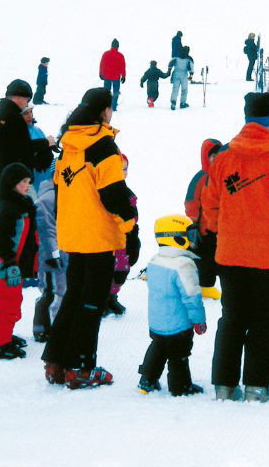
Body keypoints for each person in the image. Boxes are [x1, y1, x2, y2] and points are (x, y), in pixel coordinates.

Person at [201, 92, 269, 402]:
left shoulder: (223, 157)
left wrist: (214, 242)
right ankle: (257, 387)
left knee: (232, 319)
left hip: (229, 256)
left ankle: (224, 386)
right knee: (263, 323)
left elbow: (210, 206)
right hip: (268, 260)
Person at [42, 87, 137, 389]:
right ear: (104, 111)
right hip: (97, 236)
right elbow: (113, 194)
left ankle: (56, 361)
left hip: (73, 235)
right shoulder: (103, 146)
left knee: (73, 297)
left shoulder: (69, 144)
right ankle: (80, 367)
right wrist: (130, 226)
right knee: (91, 303)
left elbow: (60, 188)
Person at [139, 214, 207, 396]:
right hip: (178, 325)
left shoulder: (154, 261)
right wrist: (199, 320)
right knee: (179, 355)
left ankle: (147, 380)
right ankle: (180, 387)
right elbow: (192, 296)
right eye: (189, 235)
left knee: (158, 348)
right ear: (176, 237)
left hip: (157, 322)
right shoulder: (184, 264)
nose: (193, 240)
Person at [0, 163, 39, 360]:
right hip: (4, 268)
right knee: (6, 305)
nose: (27, 186)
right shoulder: (6, 209)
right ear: (12, 183)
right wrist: (8, 265)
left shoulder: (21, 205)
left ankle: (3, 335)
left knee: (13, 303)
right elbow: (1, 241)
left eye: (28, 182)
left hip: (14, 266)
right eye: (23, 182)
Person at [24, 104, 63, 342]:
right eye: (25, 111)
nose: (29, 115)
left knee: (56, 285)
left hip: (45, 185)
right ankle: (45, 326)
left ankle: (49, 325)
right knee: (51, 286)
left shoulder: (36, 131)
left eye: (30, 110)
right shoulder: (21, 134)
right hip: (37, 189)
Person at [0, 80, 55, 200]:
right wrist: (45, 143)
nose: (27, 103)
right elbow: (22, 148)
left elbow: (13, 146)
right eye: (27, 99)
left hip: (4, 181)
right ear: (18, 97)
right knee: (31, 209)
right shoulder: (13, 116)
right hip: (16, 183)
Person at [184, 138, 224, 300]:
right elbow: (191, 201)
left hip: (222, 229)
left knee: (221, 257)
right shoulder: (201, 178)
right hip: (204, 230)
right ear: (205, 157)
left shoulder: (225, 176)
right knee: (205, 260)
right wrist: (193, 223)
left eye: (219, 155)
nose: (216, 159)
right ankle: (205, 285)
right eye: (213, 156)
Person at [103, 153, 139, 317]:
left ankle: (112, 296)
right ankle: (102, 299)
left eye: (125, 169)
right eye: (120, 169)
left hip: (126, 238)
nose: (123, 172)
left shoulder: (127, 190)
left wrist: (134, 235)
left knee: (122, 269)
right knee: (107, 270)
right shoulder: (108, 190)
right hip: (111, 238)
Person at [98, 39, 126, 111]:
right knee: (115, 92)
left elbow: (102, 64)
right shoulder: (120, 55)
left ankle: (106, 107)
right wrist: (123, 76)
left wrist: (101, 73)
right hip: (116, 77)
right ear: (118, 46)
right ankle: (113, 107)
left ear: (111, 45)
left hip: (107, 77)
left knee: (106, 93)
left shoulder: (105, 54)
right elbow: (123, 66)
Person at [170, 46, 195, 110]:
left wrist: (169, 70)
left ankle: (173, 103)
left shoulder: (176, 56)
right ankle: (182, 103)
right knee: (184, 90)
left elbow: (171, 63)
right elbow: (191, 67)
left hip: (176, 73)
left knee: (175, 89)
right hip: (184, 75)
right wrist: (191, 75)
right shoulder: (189, 58)